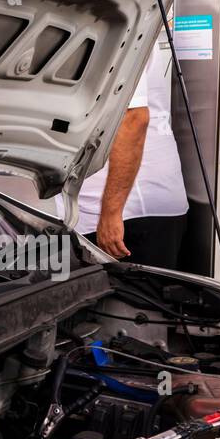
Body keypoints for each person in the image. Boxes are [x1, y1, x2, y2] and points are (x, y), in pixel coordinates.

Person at [74, 34, 189, 268]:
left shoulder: (116, 32)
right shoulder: (115, 25)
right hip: (127, 207)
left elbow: (132, 119)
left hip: (130, 212)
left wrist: (111, 213)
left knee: (127, 302)